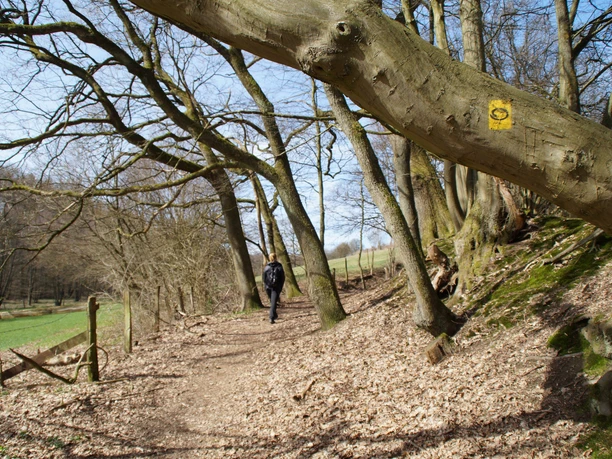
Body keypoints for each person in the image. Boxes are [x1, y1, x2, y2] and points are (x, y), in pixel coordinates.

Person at [263, 253, 285, 324]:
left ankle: (273, 315)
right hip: (276, 287)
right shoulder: (279, 266)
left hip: (268, 287)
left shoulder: (266, 267)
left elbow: (263, 278)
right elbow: (282, 278)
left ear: (269, 258)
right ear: (276, 257)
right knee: (273, 302)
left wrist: (266, 285)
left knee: (272, 302)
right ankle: (271, 317)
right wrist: (280, 287)